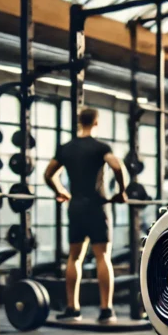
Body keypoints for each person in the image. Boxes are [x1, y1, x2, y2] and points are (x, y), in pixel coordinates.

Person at [43, 107, 127, 323]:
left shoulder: (66, 148)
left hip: (76, 207)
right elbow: (117, 166)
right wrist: (121, 191)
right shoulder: (101, 147)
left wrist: (60, 191)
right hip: (98, 206)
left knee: (74, 258)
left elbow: (48, 174)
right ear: (96, 122)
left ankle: (73, 309)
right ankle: (106, 310)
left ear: (79, 121)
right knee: (102, 257)